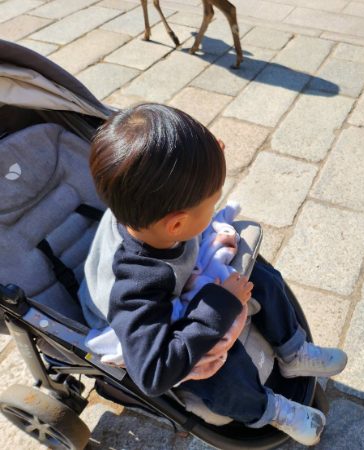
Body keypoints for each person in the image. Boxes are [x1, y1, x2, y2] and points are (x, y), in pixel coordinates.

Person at [78, 103, 348, 446]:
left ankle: (293, 352)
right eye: (212, 201)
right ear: (177, 224)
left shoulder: (156, 215)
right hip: (147, 329)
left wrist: (203, 167)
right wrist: (220, 304)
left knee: (263, 278)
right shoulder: (136, 287)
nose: (217, 203)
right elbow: (153, 372)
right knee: (217, 371)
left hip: (177, 270)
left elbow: (185, 206)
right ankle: (270, 411)